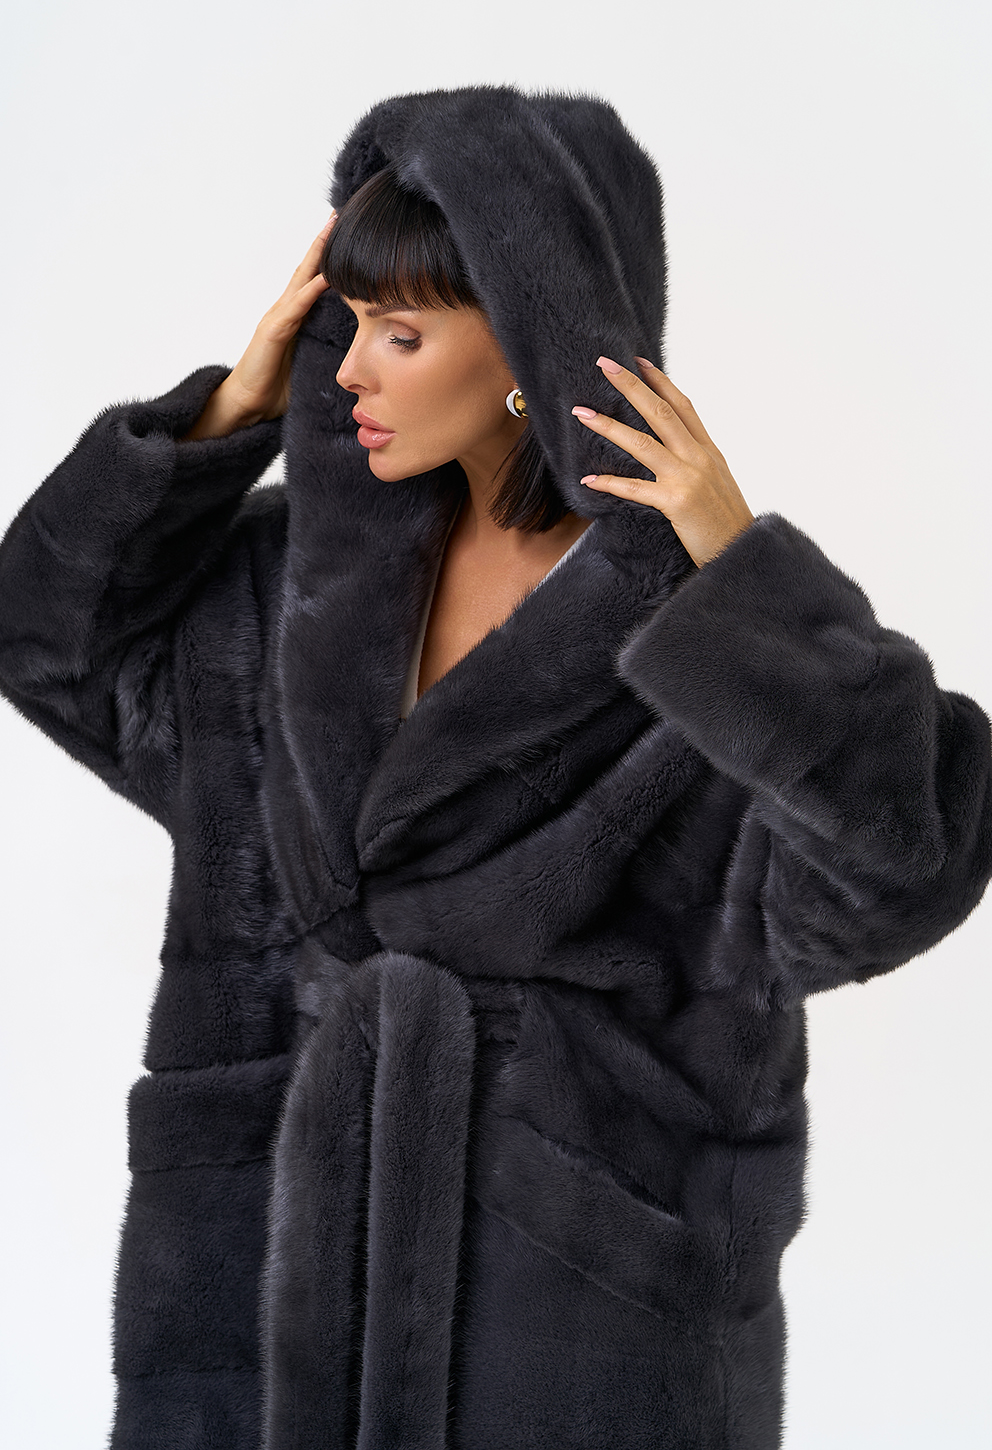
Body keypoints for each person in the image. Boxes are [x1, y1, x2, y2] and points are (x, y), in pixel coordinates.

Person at [0, 85, 989, 1450]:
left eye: (401, 335)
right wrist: (223, 420)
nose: (347, 372)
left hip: (575, 1329)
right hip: (253, 1303)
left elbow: (898, 868)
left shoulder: (701, 646)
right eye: (346, 323)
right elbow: (49, 648)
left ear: (528, 350)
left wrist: (736, 569)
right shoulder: (286, 586)